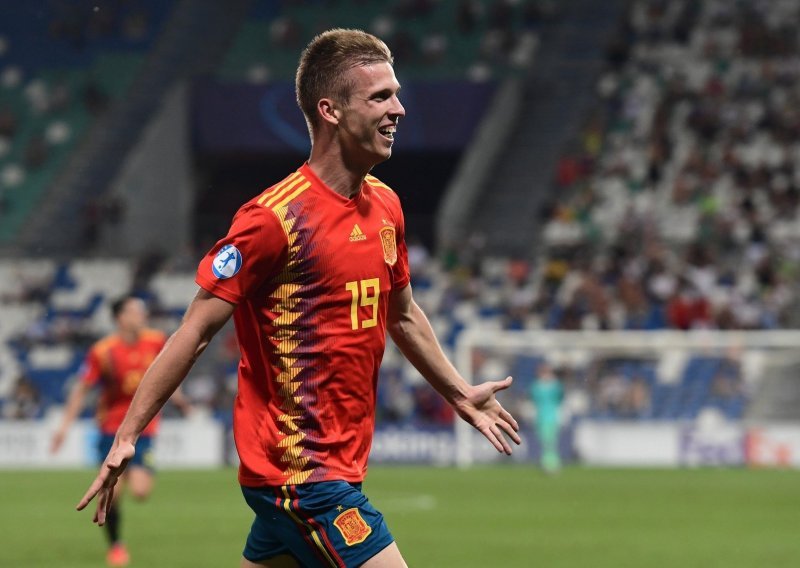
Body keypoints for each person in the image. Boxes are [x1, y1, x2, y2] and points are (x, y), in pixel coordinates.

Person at [77, 28, 521, 568]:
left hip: (333, 466)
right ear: (330, 110)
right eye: (380, 97)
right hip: (300, 473)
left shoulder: (386, 205)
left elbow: (402, 315)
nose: (398, 109)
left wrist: (458, 392)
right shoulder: (273, 219)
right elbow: (194, 332)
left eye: (397, 95)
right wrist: (127, 434)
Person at [53, 295, 190, 567]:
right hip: (111, 429)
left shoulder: (156, 341)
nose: (141, 315)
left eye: (142, 310)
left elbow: (166, 374)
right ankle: (116, 546)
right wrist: (64, 427)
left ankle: (121, 485)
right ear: (120, 318)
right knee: (113, 494)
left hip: (145, 428)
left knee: (141, 491)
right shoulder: (103, 351)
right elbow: (81, 390)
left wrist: (180, 400)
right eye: (135, 311)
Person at [530, 362, 563, 473]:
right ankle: (548, 463)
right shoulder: (536, 386)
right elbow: (534, 398)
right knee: (545, 442)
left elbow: (560, 397)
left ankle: (551, 464)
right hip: (540, 417)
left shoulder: (555, 385)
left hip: (551, 417)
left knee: (551, 442)